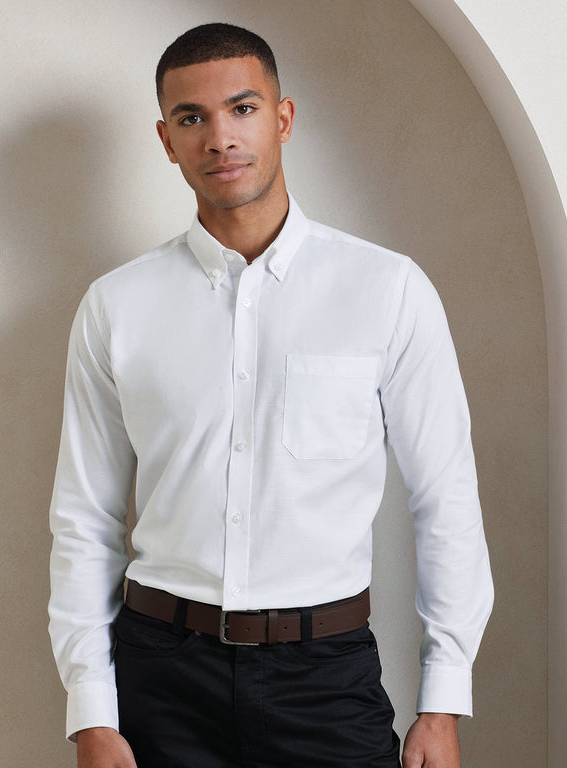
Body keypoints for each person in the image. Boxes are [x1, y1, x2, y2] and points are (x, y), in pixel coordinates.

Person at [49, 22, 493, 768]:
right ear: (166, 140)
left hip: (325, 677)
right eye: (192, 117)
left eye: (243, 109)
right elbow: (84, 518)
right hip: (160, 676)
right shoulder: (116, 306)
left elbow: (445, 500)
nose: (220, 137)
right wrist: (91, 713)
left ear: (283, 118)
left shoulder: (387, 291)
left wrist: (442, 702)